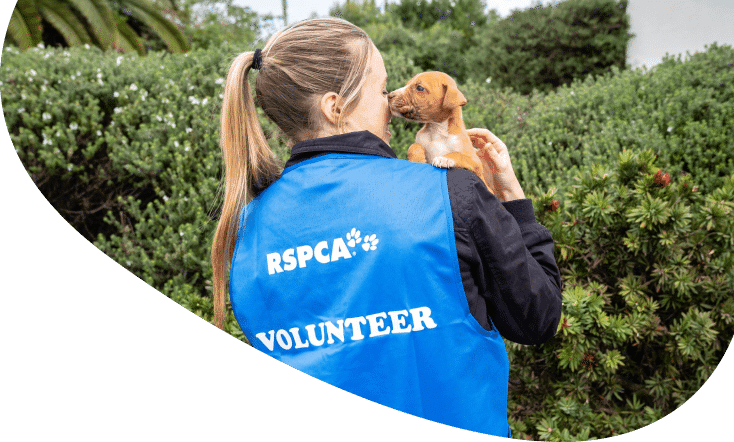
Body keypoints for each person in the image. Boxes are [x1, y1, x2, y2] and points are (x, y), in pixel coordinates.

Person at [211, 18, 562, 438]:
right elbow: (539, 316)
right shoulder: (449, 192)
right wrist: (515, 204)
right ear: (334, 106)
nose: (391, 101)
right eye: (381, 89)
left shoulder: (247, 225)